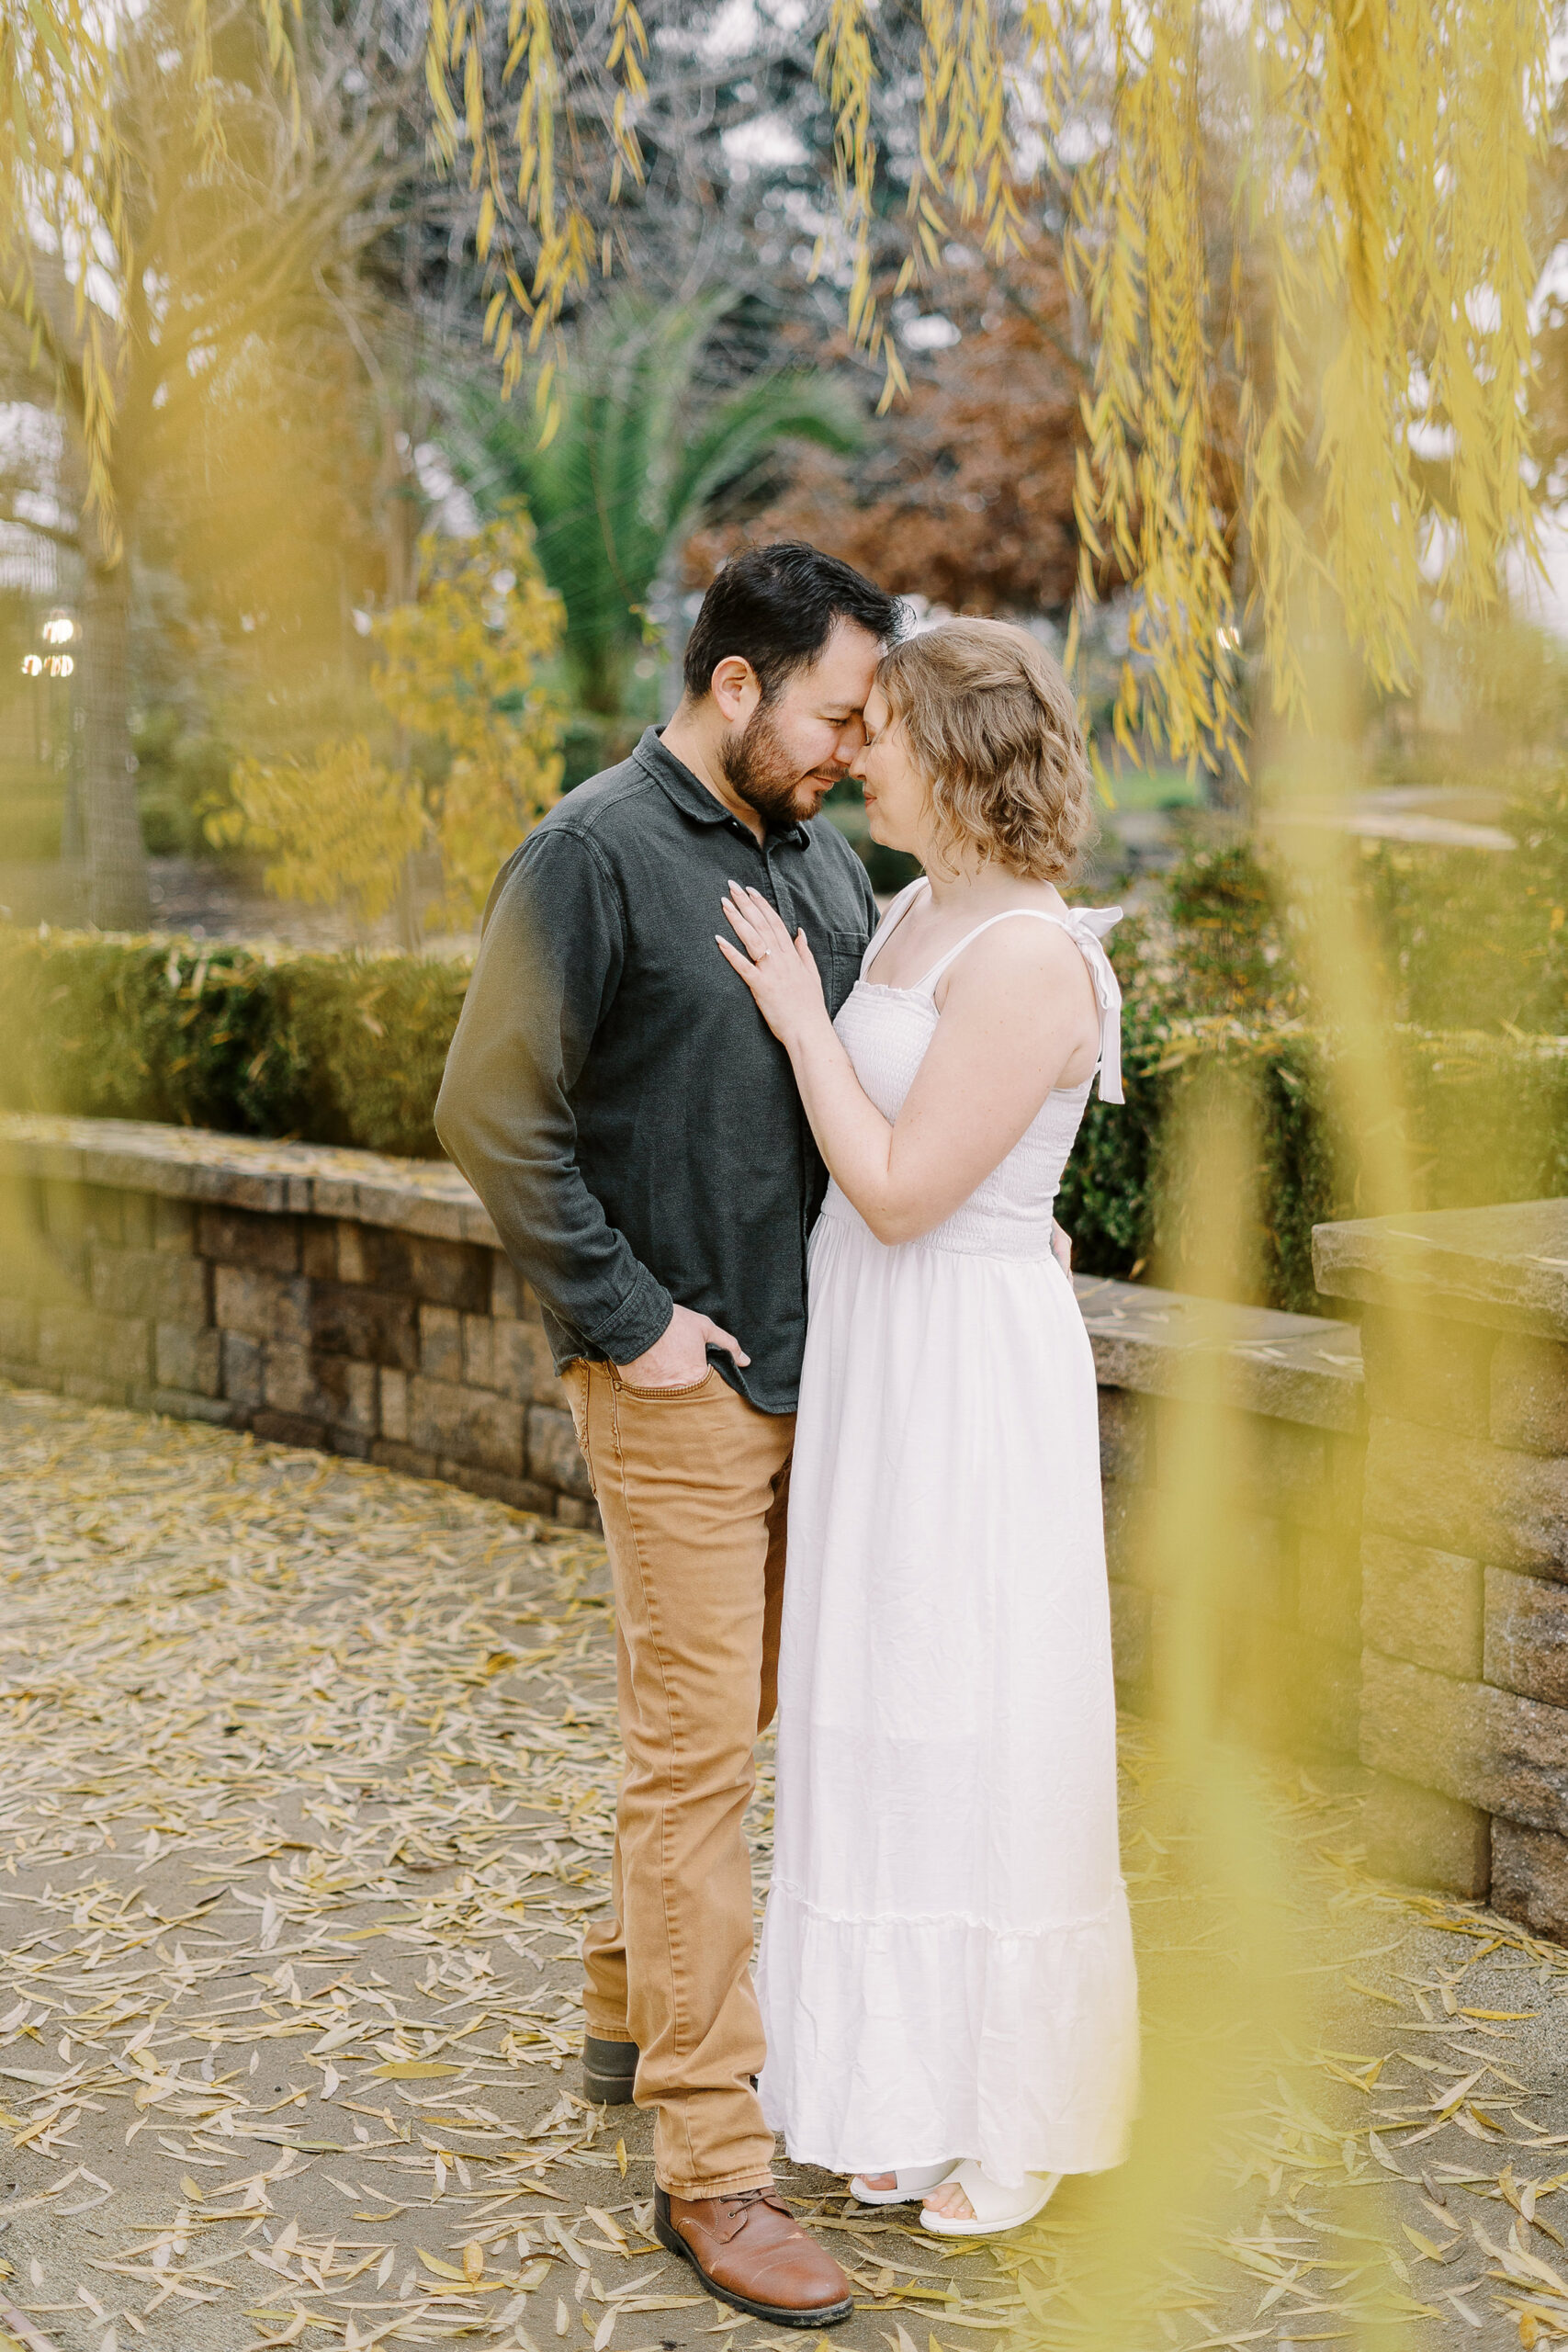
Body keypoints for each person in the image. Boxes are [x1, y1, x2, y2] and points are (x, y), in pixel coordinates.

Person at [434, 543, 903, 2328]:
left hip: (828, 1380)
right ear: (735, 684)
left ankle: (631, 1997)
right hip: (680, 1385)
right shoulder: (588, 851)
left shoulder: (823, 859)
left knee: (731, 1715)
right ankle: (712, 2160)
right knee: (698, 1752)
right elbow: (489, 1107)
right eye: (836, 710)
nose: (854, 745)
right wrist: (627, 1324)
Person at [716, 617, 1140, 2238]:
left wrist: (795, 1018)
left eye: (880, 727)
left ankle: (1014, 2114)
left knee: (981, 1709)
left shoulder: (1028, 954)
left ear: (954, 753)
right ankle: (898, 2079)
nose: (853, 749)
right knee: (880, 1701)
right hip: (889, 1355)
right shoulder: (909, 913)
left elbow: (898, 1191)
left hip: (960, 1368)